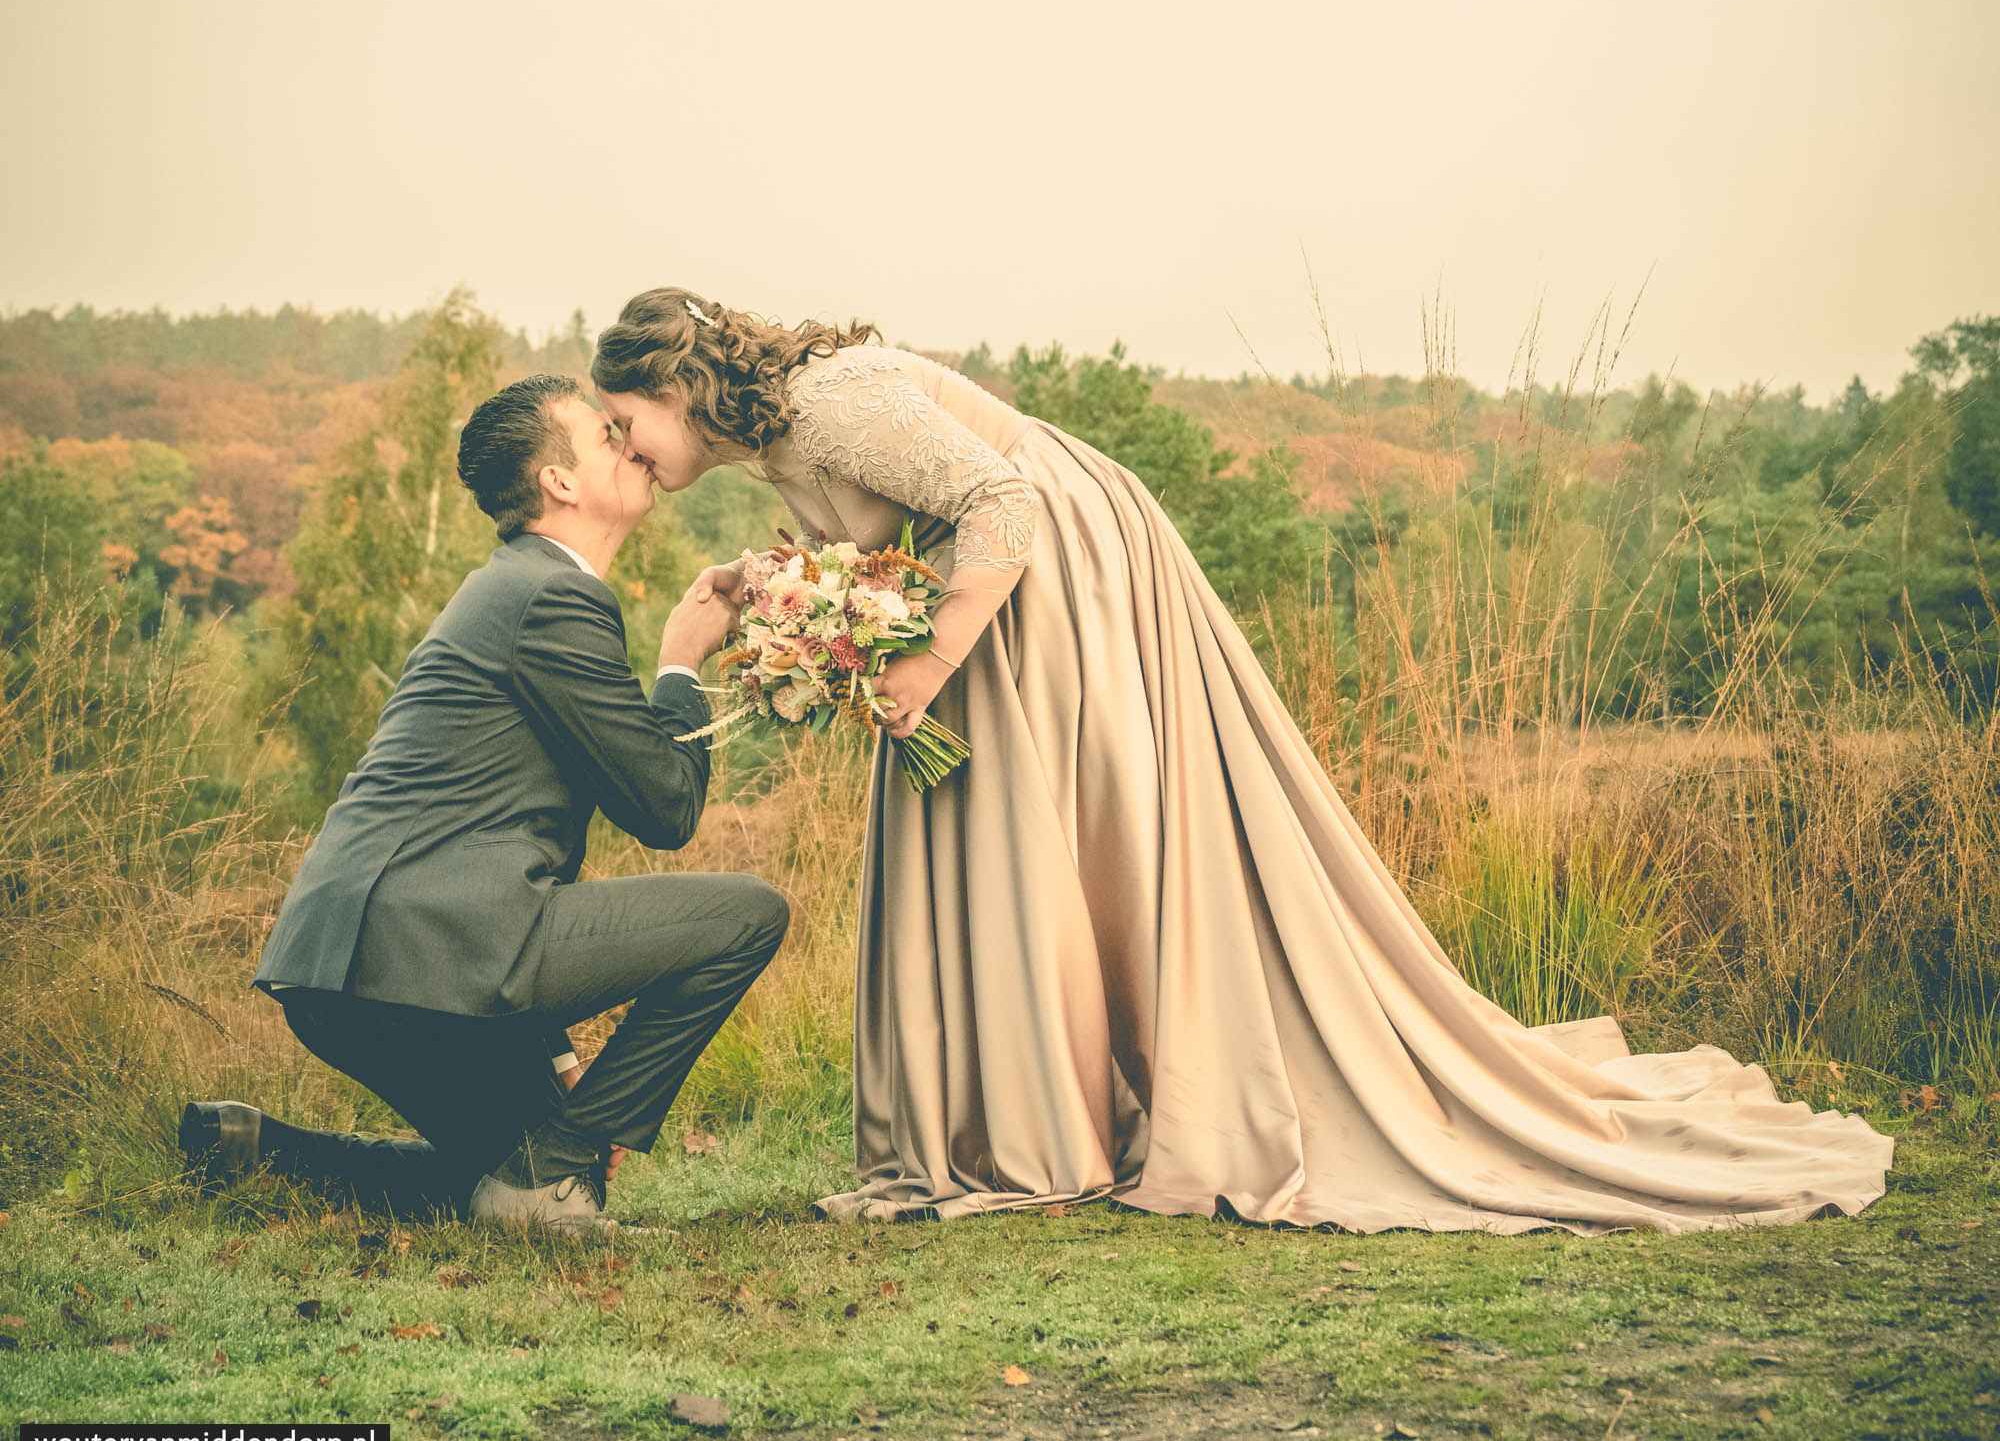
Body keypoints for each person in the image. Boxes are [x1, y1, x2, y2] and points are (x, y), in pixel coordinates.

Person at [593, 289, 1893, 1233]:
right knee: (966, 820)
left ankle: (1054, 1120)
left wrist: (925, 663)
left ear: (675, 379)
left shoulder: (831, 399)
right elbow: (885, 548)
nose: (623, 448)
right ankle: (1004, 1121)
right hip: (984, 592)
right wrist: (793, 599)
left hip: (1060, 569)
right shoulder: (780, 440)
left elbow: (1005, 498)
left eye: (623, 417)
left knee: (1032, 820)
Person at [179, 374, 786, 1232]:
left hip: (348, 964)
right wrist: (682, 664)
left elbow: (488, 835)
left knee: (516, 1179)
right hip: (421, 951)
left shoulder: (508, 588)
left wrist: (557, 1049)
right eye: (608, 437)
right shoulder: (555, 596)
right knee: (749, 915)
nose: (634, 447)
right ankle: (561, 1159)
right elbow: (666, 808)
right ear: (559, 482)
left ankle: (264, 1151)